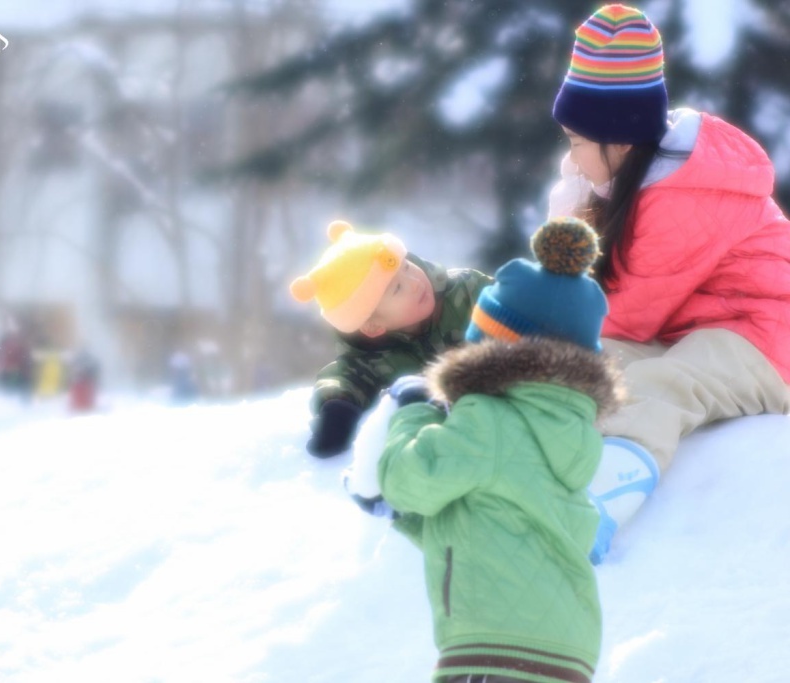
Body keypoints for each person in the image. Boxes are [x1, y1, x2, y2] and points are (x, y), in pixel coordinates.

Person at [548, 4, 790, 562]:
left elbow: (628, 314)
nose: (572, 159)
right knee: (597, 358)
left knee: (665, 384)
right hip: (696, 319)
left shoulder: (679, 198)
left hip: (762, 337)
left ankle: (598, 502)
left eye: (578, 142)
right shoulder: (638, 176)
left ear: (623, 141)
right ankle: (529, 439)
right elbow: (616, 318)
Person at [345, 218, 620, 683]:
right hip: (568, 652)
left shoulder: (488, 421)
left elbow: (412, 481)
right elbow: (483, 526)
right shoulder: (572, 441)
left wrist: (414, 410)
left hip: (493, 648)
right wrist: (399, 517)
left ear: (491, 352)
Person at [290, 220, 491, 458]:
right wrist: (338, 409)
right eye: (397, 288)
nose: (415, 283)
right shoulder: (372, 354)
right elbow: (344, 376)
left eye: (406, 267)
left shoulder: (468, 292)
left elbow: (521, 309)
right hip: (456, 436)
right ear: (373, 325)